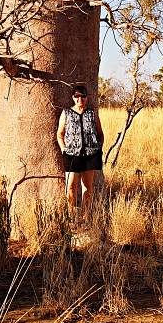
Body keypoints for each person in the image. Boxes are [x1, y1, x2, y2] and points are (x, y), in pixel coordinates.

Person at [56, 84, 104, 226]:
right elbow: (60, 133)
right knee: (71, 186)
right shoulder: (66, 113)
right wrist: (64, 148)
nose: (80, 99)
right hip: (72, 155)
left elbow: (100, 133)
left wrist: (98, 147)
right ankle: (72, 218)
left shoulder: (92, 113)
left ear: (87, 97)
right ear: (73, 97)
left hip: (90, 155)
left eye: (83, 96)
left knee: (88, 187)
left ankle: (86, 217)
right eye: (77, 96)